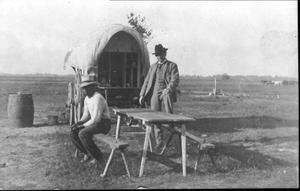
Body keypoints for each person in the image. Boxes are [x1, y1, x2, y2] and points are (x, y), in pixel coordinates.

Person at [139, 44, 180, 151]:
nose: (159, 57)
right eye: (157, 55)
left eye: (160, 54)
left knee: (169, 115)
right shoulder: (153, 67)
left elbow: (174, 80)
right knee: (154, 116)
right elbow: (147, 81)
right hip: (154, 92)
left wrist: (168, 89)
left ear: (164, 53)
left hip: (166, 92)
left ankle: (172, 137)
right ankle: (159, 141)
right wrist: (142, 94)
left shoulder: (172, 65)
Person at [70, 76, 111, 164]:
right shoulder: (87, 98)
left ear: (92, 87)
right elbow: (86, 115)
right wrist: (78, 123)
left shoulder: (97, 98)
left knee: (83, 133)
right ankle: (87, 153)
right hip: (96, 123)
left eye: (86, 88)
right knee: (73, 131)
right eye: (83, 88)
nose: (84, 90)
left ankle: (98, 157)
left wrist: (82, 126)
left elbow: (96, 119)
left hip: (104, 124)